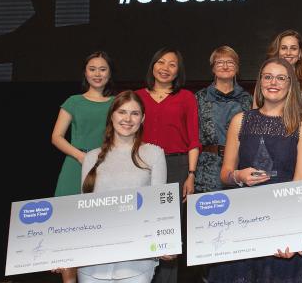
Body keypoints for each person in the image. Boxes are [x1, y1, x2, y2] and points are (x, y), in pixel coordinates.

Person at [208, 58, 302, 283]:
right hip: (243, 220)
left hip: (282, 218)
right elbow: (225, 174)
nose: (273, 82)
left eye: (280, 78)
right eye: (267, 77)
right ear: (260, 82)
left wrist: (291, 232)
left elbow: (300, 185)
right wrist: (238, 176)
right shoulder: (240, 121)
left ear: (290, 85)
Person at [77, 90, 170, 283]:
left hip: (136, 262)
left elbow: (160, 207)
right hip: (93, 263)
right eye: (122, 112)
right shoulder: (91, 157)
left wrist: (165, 242)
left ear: (142, 118)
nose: (128, 119)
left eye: (134, 113)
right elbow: (82, 211)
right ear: (111, 115)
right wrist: (62, 252)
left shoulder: (154, 154)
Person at [134, 48, 199, 283]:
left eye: (172, 64)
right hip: (141, 166)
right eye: (160, 62)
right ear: (152, 66)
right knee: (141, 223)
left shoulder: (186, 98)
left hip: (176, 166)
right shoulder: (136, 96)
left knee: (168, 230)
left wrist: (191, 174)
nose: (165, 68)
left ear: (178, 71)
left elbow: (193, 140)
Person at [50, 51, 115, 283]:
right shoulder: (73, 101)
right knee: (68, 226)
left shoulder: (117, 103)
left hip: (105, 168)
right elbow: (57, 137)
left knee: (96, 227)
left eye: (103, 69)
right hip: (74, 167)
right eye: (92, 69)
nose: (97, 74)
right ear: (85, 72)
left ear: (110, 73)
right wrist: (80, 156)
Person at [194, 46, 253, 193]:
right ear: (213, 68)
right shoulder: (199, 98)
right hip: (207, 169)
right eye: (219, 62)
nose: (225, 66)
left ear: (237, 68)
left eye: (230, 62)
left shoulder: (248, 100)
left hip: (239, 167)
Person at [264, 30, 302, 115]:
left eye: (293, 48)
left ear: (300, 53)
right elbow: (255, 117)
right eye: (283, 48)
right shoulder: (265, 81)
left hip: (301, 128)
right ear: (277, 52)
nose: (288, 53)